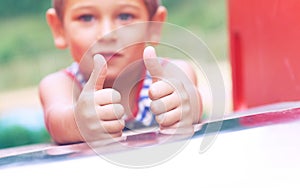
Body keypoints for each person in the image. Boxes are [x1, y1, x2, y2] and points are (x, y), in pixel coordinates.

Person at [39, 0, 203, 144]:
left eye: (125, 16)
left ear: (154, 26)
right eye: (86, 18)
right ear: (59, 28)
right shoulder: (60, 84)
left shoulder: (171, 73)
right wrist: (78, 122)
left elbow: (192, 101)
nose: (106, 34)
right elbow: (56, 121)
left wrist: (184, 105)